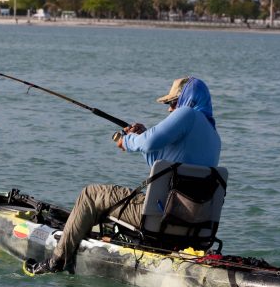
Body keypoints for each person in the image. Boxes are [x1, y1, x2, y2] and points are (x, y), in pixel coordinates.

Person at [24, 76, 222, 275]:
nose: (170, 109)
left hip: (160, 216)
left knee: (91, 194)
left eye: (172, 103)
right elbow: (160, 163)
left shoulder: (187, 114)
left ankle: (57, 261)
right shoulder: (213, 136)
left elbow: (148, 143)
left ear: (188, 98)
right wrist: (143, 135)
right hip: (193, 223)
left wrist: (128, 141)